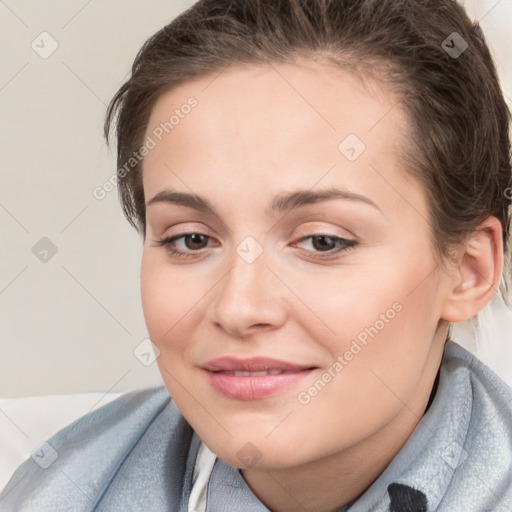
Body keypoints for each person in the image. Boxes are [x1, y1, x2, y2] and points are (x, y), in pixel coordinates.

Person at [1, 0, 511, 510]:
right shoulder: (50, 488)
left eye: (322, 241)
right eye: (192, 239)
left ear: (469, 271)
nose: (238, 308)